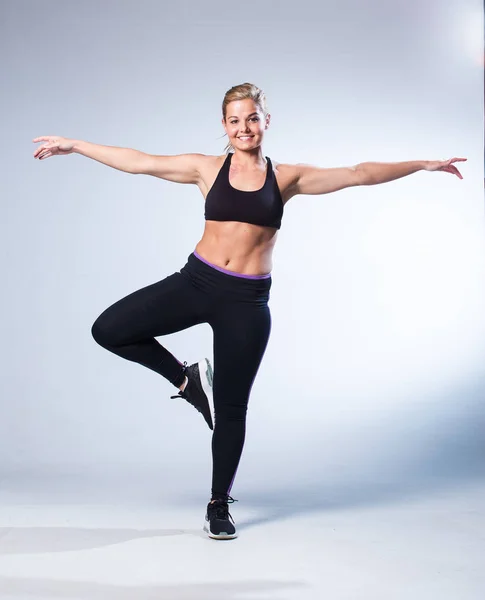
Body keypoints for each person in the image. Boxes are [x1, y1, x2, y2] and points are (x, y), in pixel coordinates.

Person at [33, 82, 466, 540]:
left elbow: (358, 172)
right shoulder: (205, 168)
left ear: (266, 121)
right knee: (110, 329)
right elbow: (139, 161)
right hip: (196, 283)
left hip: (246, 303)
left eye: (252, 118)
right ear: (225, 125)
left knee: (232, 408)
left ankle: (218, 503)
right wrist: (75, 145)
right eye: (235, 120)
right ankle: (186, 379)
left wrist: (423, 164)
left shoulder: (287, 178)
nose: (244, 128)